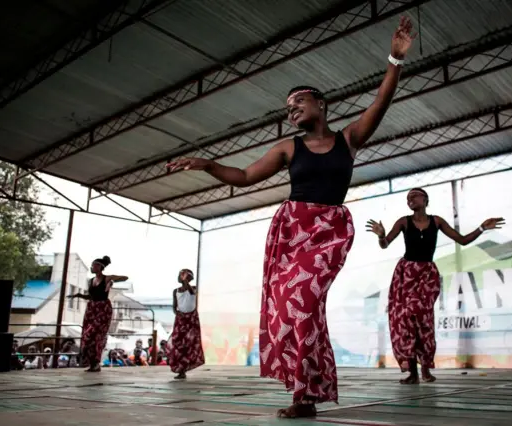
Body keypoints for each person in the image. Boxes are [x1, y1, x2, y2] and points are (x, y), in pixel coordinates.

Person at [166, 16, 415, 418]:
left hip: (329, 231)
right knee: (289, 308)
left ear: (321, 103)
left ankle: (305, 394)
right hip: (291, 231)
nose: (292, 110)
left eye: (298, 102)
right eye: (287, 108)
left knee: (305, 303)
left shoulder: (347, 140)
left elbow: (380, 102)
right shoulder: (287, 148)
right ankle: (305, 394)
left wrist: (395, 60)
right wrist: (207, 163)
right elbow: (245, 177)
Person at [366, 188, 505, 384]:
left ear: (425, 199)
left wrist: (482, 228)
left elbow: (462, 240)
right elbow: (385, 243)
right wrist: (381, 235)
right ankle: (413, 372)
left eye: (414, 196)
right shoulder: (403, 222)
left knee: (424, 320)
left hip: (426, 275)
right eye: (408, 198)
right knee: (407, 319)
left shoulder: (437, 221)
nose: (411, 200)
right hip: (406, 274)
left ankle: (426, 369)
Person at [68, 255, 128, 372]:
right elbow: (91, 296)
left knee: (95, 335)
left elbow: (125, 278)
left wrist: (112, 280)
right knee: (87, 336)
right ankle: (93, 364)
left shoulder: (106, 278)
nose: (92, 267)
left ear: (100, 267)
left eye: (94, 265)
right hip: (91, 309)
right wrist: (78, 295)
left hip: (103, 309)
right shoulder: (91, 280)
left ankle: (95, 363)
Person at [168, 269, 204, 379]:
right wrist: (177, 313)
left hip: (192, 319)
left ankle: (184, 369)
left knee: (190, 343)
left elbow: (192, 293)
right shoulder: (176, 291)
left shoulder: (193, 288)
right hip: (181, 319)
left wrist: (186, 282)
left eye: (185, 276)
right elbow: (174, 306)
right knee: (178, 343)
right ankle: (180, 369)